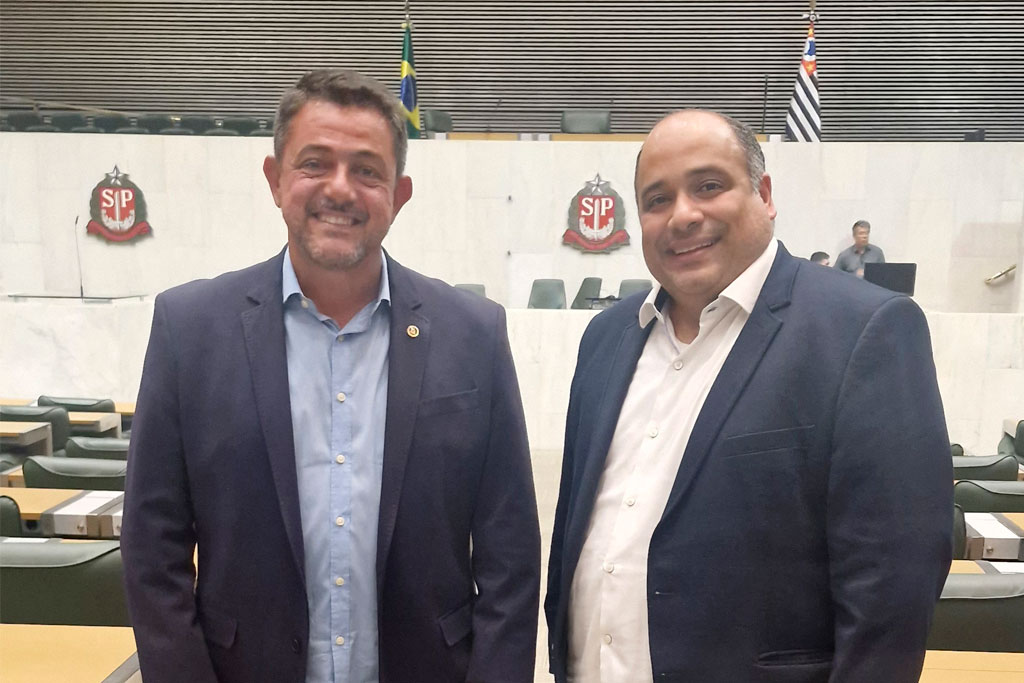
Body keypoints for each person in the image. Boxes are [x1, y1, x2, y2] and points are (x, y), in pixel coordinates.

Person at [121, 69, 540, 683]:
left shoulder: (473, 335)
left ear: (399, 193)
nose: (341, 189)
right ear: (275, 179)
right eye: (315, 163)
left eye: (368, 171)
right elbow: (152, 549)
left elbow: (511, 556)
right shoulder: (190, 330)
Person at [545, 110, 952, 682]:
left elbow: (893, 590)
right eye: (656, 200)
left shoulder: (863, 331)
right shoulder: (605, 340)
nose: (682, 215)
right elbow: (576, 535)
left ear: (764, 194)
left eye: (708, 186)